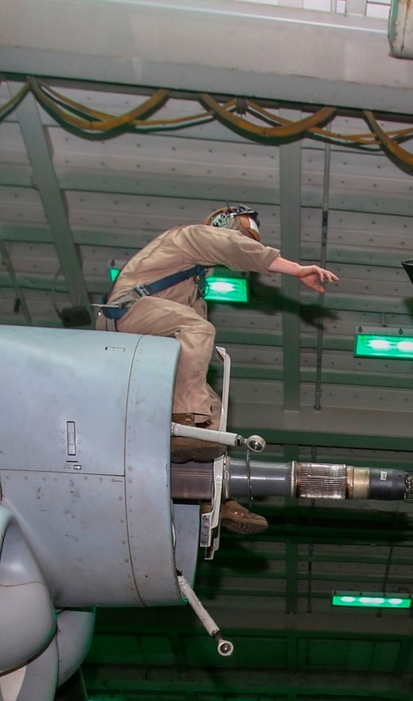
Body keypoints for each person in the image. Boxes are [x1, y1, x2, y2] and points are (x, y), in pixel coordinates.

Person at [99, 204, 338, 528]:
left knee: (212, 409)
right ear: (222, 224)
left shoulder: (193, 287)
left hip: (146, 334)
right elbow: (231, 248)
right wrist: (294, 269)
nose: (243, 240)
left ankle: (215, 496)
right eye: (241, 232)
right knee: (199, 330)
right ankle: (184, 418)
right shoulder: (189, 238)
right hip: (126, 314)